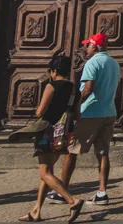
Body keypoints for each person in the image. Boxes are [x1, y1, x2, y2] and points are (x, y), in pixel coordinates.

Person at [20, 54, 83, 222]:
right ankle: (36, 211)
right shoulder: (73, 89)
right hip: (63, 132)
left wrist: (37, 111)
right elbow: (78, 114)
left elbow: (40, 112)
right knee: (48, 173)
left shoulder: (51, 86)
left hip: (47, 131)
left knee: (45, 173)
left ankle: (72, 201)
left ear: (54, 71)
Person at [59, 34, 120, 206]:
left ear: (95, 47)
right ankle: (102, 192)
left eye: (88, 46)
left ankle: (62, 191)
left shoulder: (92, 63)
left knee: (71, 151)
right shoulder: (114, 63)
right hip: (109, 112)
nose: (86, 49)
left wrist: (75, 106)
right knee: (102, 153)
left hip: (90, 112)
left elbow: (88, 88)